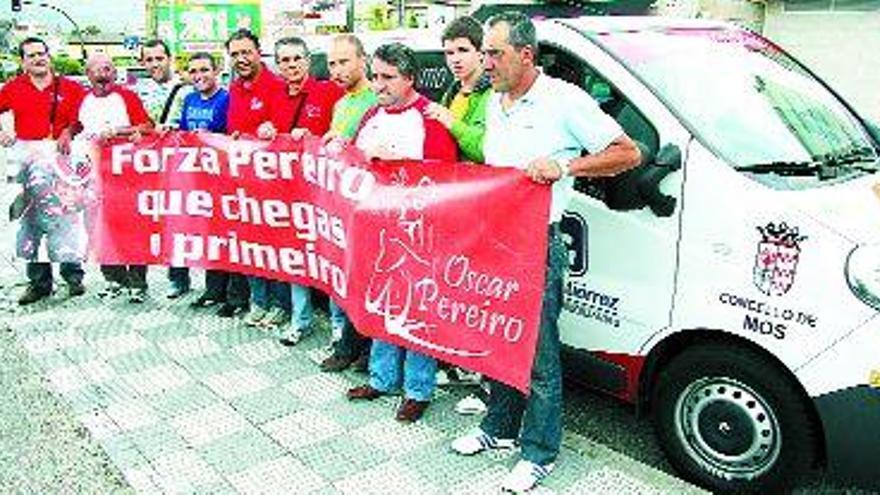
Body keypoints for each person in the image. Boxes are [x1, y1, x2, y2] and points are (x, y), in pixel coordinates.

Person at [449, 13, 642, 492]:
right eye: (485, 53)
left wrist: (564, 165)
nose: (485, 62)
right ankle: (498, 429)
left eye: (494, 53)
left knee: (537, 354)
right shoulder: (495, 101)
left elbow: (628, 153)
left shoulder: (564, 100)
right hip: (494, 239)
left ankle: (538, 452)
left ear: (526, 55)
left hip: (536, 242)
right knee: (498, 340)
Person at [345, 43, 458, 423]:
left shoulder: (429, 119)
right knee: (381, 303)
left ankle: (418, 389)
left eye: (388, 77)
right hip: (376, 229)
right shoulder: (371, 115)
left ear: (410, 79)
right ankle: (382, 378)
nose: (379, 85)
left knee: (418, 309)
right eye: (375, 76)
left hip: (419, 233)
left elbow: (445, 178)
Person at [252, 36, 346, 343]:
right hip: (288, 192)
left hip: (322, 192)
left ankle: (337, 326)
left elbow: (341, 135)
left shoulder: (328, 91)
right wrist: (264, 130)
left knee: (329, 260)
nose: (291, 65)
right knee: (296, 258)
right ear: (277, 65)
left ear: (307, 60)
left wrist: (314, 136)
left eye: (296, 58)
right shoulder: (273, 94)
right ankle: (300, 320)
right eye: (284, 60)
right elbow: (264, 132)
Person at [293, 34, 375, 371]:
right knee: (342, 279)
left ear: (363, 60)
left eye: (344, 61)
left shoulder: (375, 100)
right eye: (332, 64)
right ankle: (347, 344)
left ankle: (362, 349)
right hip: (340, 210)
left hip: (367, 208)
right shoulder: (341, 104)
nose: (337, 70)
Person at [0, 37, 87, 305]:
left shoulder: (70, 87)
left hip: (62, 160)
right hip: (26, 160)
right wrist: (2, 132)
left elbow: (85, 117)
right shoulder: (13, 88)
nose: (38, 59)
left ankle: (73, 276)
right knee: (29, 219)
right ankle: (39, 282)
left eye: (42, 53)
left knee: (67, 215)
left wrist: (68, 130)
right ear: (22, 61)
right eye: (32, 55)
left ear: (49, 56)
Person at [75, 52, 155, 303]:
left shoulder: (127, 96)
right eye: (97, 70)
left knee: (133, 229)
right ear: (88, 75)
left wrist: (121, 131)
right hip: (94, 177)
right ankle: (114, 279)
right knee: (99, 229)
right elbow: (72, 126)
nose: (102, 74)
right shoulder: (82, 99)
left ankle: (138, 283)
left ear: (115, 73)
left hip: (127, 177)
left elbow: (148, 126)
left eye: (107, 69)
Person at [219, 28, 287, 318]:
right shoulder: (234, 87)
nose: (241, 59)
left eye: (246, 52)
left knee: (277, 247)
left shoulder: (277, 84)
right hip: (243, 182)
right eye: (235, 54)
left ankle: (281, 305)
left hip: (272, 182)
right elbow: (233, 129)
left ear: (259, 52)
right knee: (249, 244)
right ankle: (258, 301)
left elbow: (282, 132)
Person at [174, 52, 248, 313]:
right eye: (193, 71)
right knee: (210, 238)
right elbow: (183, 132)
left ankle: (235, 298)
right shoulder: (190, 98)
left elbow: (234, 134)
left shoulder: (227, 99)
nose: (198, 75)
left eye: (204, 69)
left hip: (225, 180)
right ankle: (213, 290)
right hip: (200, 180)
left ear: (216, 71)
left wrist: (210, 137)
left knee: (231, 239)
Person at [131, 39, 193, 299]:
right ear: (142, 63)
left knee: (176, 222)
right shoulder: (137, 92)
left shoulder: (186, 90)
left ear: (170, 58)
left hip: (179, 166)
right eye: (149, 60)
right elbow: (134, 123)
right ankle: (138, 282)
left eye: (159, 58)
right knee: (142, 221)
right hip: (147, 166)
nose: (155, 64)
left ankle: (179, 278)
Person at [426, 15, 491, 163]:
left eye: (463, 50)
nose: (455, 59)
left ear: (481, 53)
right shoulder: (452, 92)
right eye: (449, 53)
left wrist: (451, 122)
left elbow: (484, 151)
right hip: (451, 180)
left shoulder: (494, 94)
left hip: (480, 182)